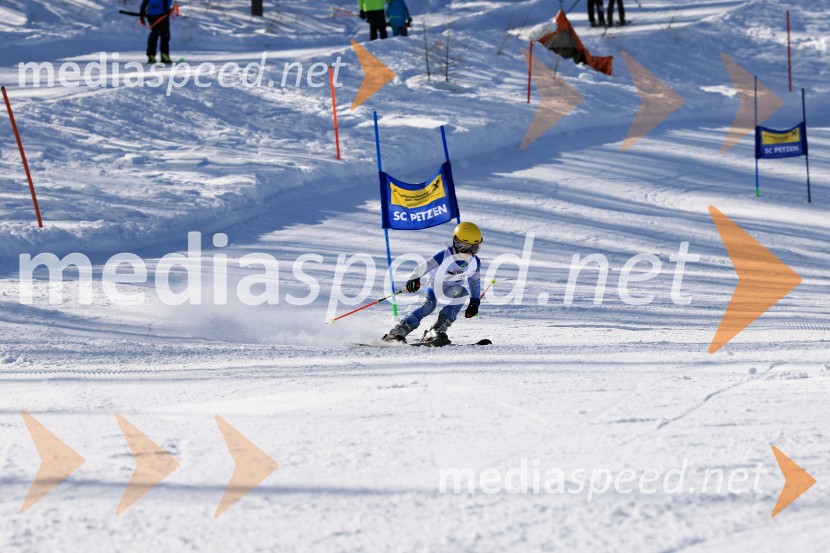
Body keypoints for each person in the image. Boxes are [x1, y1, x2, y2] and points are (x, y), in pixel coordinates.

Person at [382, 222, 484, 345]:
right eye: (464, 247)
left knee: (462, 293)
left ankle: (436, 331)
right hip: (435, 285)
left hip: (452, 288)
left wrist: (474, 301)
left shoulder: (474, 262)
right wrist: (415, 277)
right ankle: (398, 331)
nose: (468, 253)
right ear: (455, 242)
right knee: (428, 306)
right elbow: (426, 265)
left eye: (474, 248)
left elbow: (474, 281)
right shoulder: (446, 254)